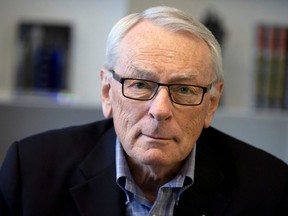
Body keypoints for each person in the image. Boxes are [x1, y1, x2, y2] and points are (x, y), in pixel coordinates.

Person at [0, 6, 288, 216]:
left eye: (185, 89)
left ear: (211, 104)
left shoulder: (269, 188)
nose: (160, 110)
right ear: (107, 92)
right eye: (139, 84)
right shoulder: (30, 173)